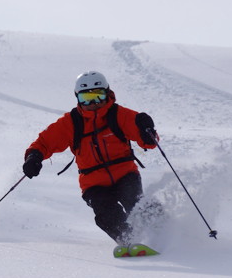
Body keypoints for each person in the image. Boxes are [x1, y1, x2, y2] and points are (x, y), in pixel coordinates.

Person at [22, 71, 159, 254]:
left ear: (107, 93)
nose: (93, 103)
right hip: (93, 183)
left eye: (98, 96)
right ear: (77, 98)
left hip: (125, 174)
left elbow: (149, 143)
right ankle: (129, 240)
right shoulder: (71, 123)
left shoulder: (119, 115)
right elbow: (45, 142)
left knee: (136, 203)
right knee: (106, 214)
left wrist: (147, 131)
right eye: (86, 98)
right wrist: (34, 157)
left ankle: (163, 232)